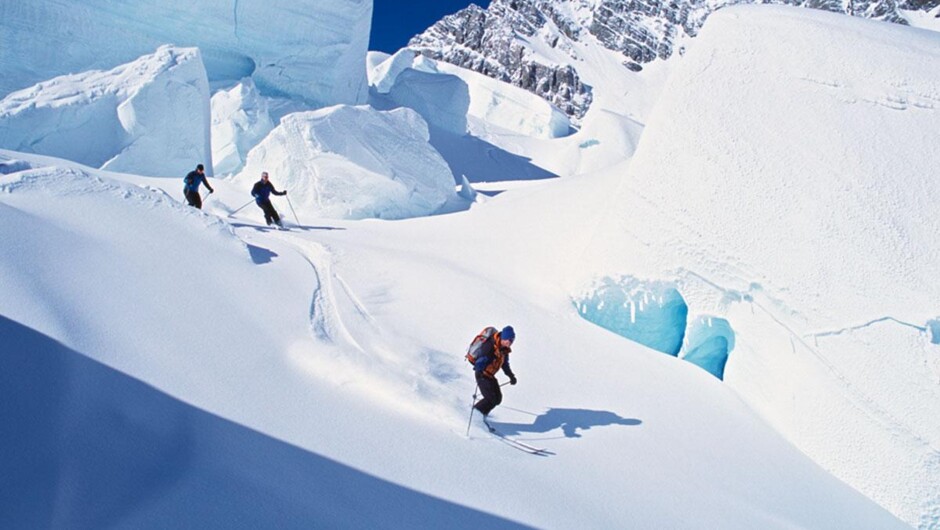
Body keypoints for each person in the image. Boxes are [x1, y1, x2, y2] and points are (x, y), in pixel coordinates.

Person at [472, 325, 517, 419]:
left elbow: (504, 364)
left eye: (512, 341)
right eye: (508, 340)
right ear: (503, 338)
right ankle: (474, 414)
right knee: (490, 398)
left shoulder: (504, 349)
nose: (510, 343)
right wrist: (479, 368)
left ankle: (482, 416)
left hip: (490, 375)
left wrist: (511, 376)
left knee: (497, 399)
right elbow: (482, 359)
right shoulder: (490, 346)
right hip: (482, 374)